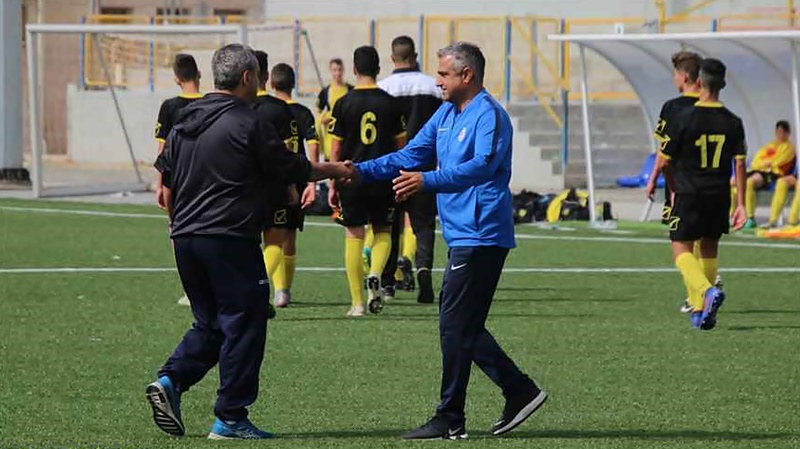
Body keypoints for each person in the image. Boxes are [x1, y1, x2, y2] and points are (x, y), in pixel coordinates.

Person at [147, 43, 348, 440]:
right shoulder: (248, 121)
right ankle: (230, 417)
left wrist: (177, 228)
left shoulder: (184, 120)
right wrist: (337, 170)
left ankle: (170, 381)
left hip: (186, 238)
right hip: (229, 238)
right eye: (257, 74)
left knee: (211, 322)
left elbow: (166, 189)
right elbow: (291, 167)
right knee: (247, 319)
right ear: (247, 77)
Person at [348, 42, 547, 439]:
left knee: (455, 325)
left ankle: (452, 415)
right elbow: (409, 155)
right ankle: (517, 390)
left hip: (482, 234)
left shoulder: (489, 114)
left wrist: (428, 180)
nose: (437, 81)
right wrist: (356, 170)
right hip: (462, 233)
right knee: (462, 325)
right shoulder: (445, 113)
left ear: (466, 75)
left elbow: (482, 166)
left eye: (443, 74)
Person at [660, 58, 747, 331]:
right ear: (723, 84)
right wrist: (741, 204)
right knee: (709, 248)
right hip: (719, 195)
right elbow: (740, 164)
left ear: (699, 82)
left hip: (689, 192)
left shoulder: (684, 118)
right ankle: (700, 310)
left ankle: (706, 292)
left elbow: (665, 161)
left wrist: (673, 188)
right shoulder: (734, 121)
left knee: (680, 247)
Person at [328, 45, 407, 317]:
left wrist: (332, 181)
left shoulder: (343, 103)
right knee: (383, 229)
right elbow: (401, 148)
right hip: (383, 178)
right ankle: (375, 272)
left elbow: (336, 149)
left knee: (353, 235)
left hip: (351, 177)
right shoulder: (391, 104)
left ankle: (357, 304)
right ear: (379, 69)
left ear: (354, 69)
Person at [645, 51, 723, 314]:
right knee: (706, 243)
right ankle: (702, 295)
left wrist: (655, 180)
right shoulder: (714, 109)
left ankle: (700, 294)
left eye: (675, 74)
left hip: (683, 185)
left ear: (685, 76)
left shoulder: (673, 108)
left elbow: (664, 154)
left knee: (682, 244)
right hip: (714, 185)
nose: (674, 78)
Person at [376, 35, 442, 304]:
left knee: (390, 225)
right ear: (415, 56)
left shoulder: (382, 88)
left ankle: (388, 283)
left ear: (392, 58)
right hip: (424, 166)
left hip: (391, 167)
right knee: (423, 224)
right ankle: (424, 272)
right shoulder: (432, 86)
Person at [251, 50, 301, 308]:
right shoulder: (280, 109)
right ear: (267, 76)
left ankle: (244, 291)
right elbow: (289, 151)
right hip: (273, 185)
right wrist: (291, 185)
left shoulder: (236, 107)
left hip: (240, 187)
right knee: (274, 240)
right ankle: (272, 290)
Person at [153, 53, 203, 307]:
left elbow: (162, 150)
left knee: (178, 230)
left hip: (179, 179)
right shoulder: (209, 103)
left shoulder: (170, 107)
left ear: (176, 78)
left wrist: (160, 184)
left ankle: (192, 289)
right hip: (206, 176)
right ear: (199, 74)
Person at [269, 62, 321, 307]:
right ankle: (283, 290)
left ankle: (270, 287)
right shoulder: (302, 112)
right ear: (294, 83)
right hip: (295, 177)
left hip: (266, 178)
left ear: (271, 83)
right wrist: (312, 180)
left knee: (268, 236)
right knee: (288, 235)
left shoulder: (263, 108)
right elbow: (313, 145)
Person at [732, 120, 796, 228]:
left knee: (749, 182)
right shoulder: (770, 145)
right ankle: (731, 216)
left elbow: (778, 162)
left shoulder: (789, 147)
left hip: (772, 174)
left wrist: (765, 163)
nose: (779, 135)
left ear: (787, 133)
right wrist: (764, 164)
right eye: (778, 132)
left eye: (782, 132)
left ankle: (750, 217)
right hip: (759, 171)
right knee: (734, 182)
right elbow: (756, 160)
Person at [317, 58, 354, 160]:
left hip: (347, 137)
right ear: (330, 71)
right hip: (330, 137)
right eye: (334, 70)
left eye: (339, 70)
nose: (337, 73)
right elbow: (318, 113)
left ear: (343, 70)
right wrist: (323, 119)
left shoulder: (350, 90)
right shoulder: (325, 92)